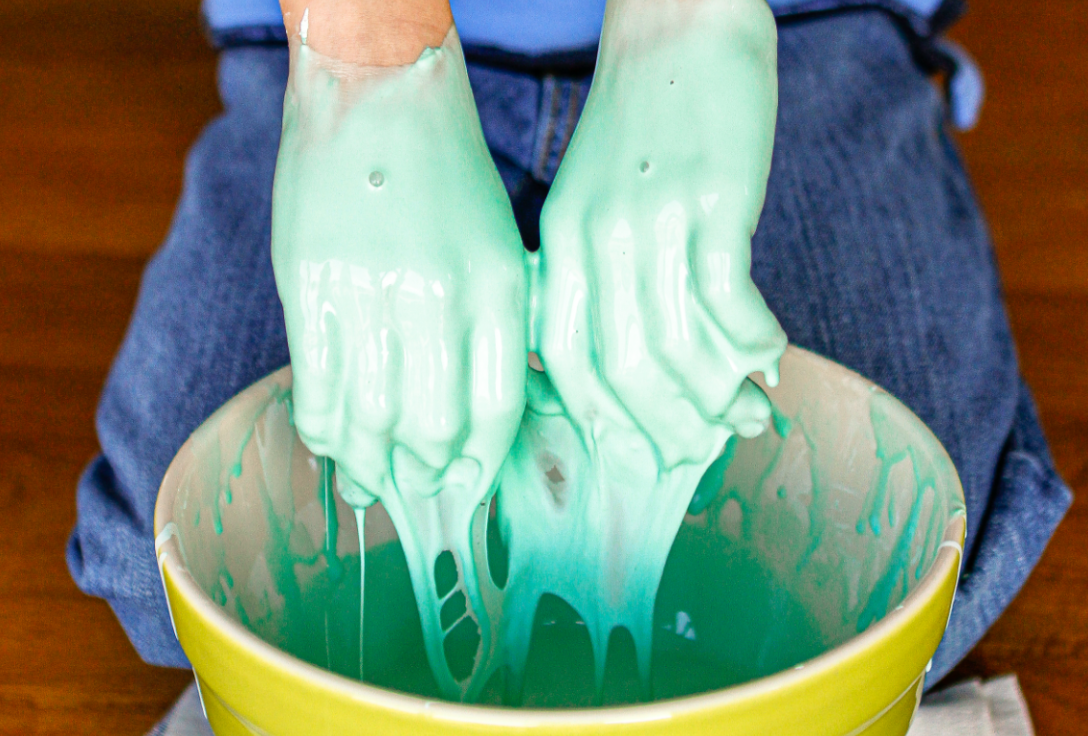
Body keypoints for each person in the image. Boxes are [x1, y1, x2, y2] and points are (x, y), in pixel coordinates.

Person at [68, 0, 1072, 691]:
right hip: (328, 38)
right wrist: (364, 70)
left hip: (795, 28)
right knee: (163, 572)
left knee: (911, 578)